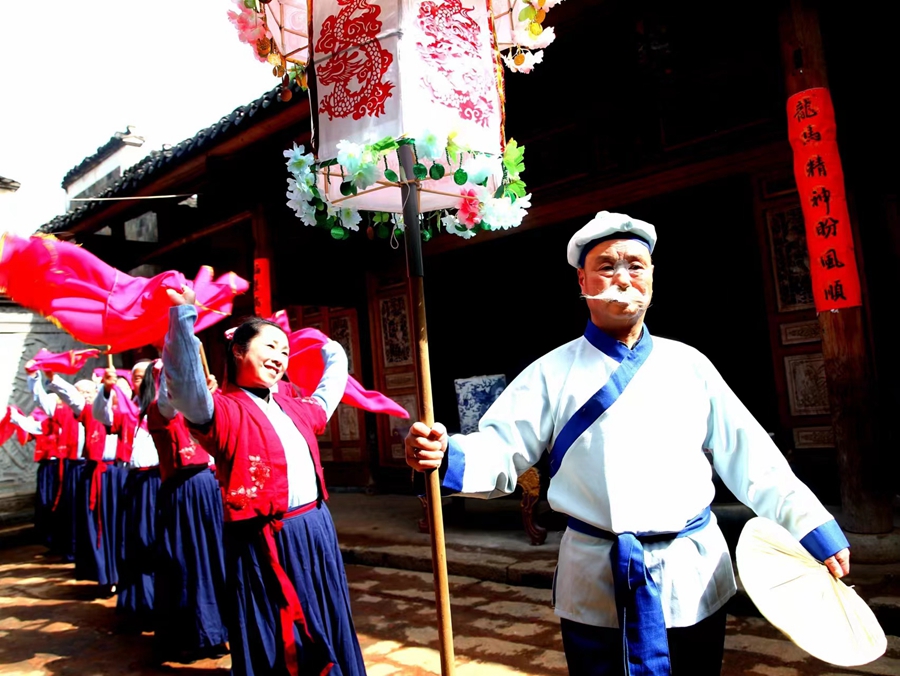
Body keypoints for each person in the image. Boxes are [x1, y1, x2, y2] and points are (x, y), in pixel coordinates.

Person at [405, 211, 851, 676]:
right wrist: (445, 454)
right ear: (582, 280)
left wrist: (811, 526)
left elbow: (753, 459)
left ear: (652, 277)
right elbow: (499, 448)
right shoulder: (550, 372)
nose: (622, 278)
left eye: (635, 266)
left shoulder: (690, 365)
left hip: (691, 574)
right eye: (606, 266)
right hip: (596, 579)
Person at [162, 287, 367, 676]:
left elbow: (329, 393)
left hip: (316, 529)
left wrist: (333, 352)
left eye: (285, 352)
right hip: (263, 540)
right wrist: (183, 318)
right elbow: (185, 388)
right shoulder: (222, 411)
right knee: (274, 628)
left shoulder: (294, 405)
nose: (280, 357)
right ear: (238, 350)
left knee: (328, 613)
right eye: (270, 346)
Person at [144, 359, 229, 662]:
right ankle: (189, 635)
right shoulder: (160, 410)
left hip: (211, 489)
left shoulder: (201, 408)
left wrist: (209, 393)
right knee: (184, 564)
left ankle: (219, 631)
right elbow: (169, 399)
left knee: (216, 560)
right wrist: (178, 365)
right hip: (182, 495)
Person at [93, 359, 160, 630]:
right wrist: (107, 391)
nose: (139, 381)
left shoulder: (164, 405)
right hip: (135, 482)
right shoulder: (125, 408)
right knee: (136, 542)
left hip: (159, 480)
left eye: (144, 376)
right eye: (135, 377)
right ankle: (141, 602)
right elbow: (102, 417)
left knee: (157, 542)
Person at [46, 374, 122, 592]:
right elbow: (70, 396)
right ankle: (103, 574)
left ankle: (120, 573)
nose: (87, 396)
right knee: (96, 525)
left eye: (91, 391)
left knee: (119, 525)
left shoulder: (128, 412)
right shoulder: (88, 412)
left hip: (119, 474)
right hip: (94, 472)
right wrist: (53, 377)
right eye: (84, 393)